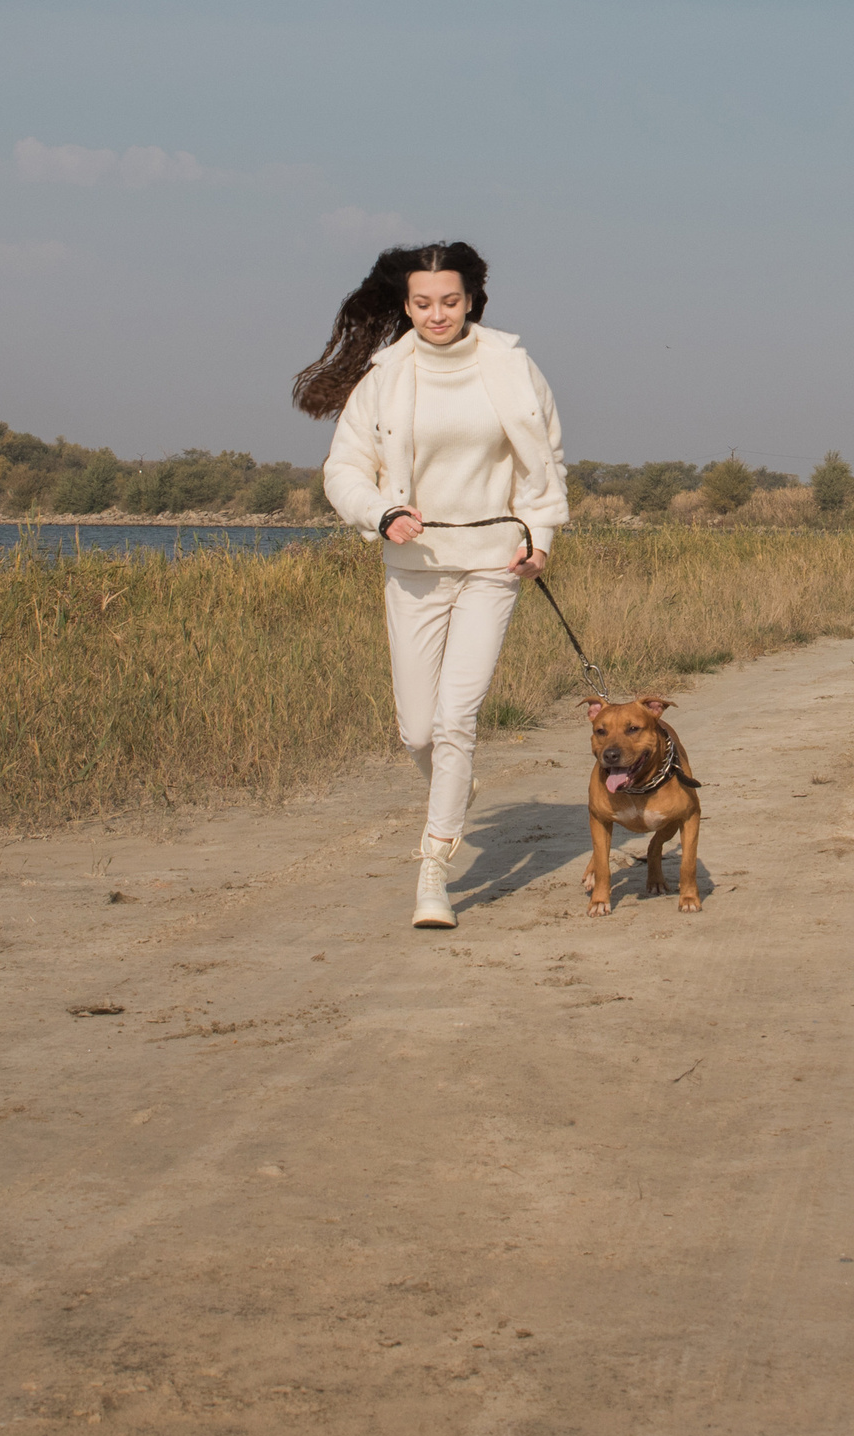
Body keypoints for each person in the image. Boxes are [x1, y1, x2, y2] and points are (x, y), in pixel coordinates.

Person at [296, 241, 569, 928]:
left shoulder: (510, 366)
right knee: (418, 730)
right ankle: (455, 781)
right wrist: (381, 512)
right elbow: (343, 470)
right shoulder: (386, 376)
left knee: (455, 719)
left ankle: (433, 873)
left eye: (450, 301)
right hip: (413, 567)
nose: (437, 314)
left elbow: (545, 465)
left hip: (491, 563)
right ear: (405, 304)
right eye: (422, 303)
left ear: (472, 297)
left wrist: (539, 541)